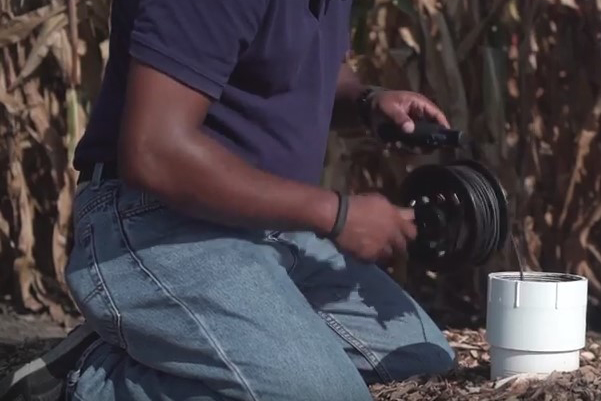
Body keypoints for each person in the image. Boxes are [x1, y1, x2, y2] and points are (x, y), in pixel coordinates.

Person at [0, 1, 456, 400]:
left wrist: (367, 102)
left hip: (267, 222)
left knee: (417, 360)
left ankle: (172, 344)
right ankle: (87, 380)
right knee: (323, 395)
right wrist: (335, 214)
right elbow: (153, 152)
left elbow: (304, 67)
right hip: (150, 216)